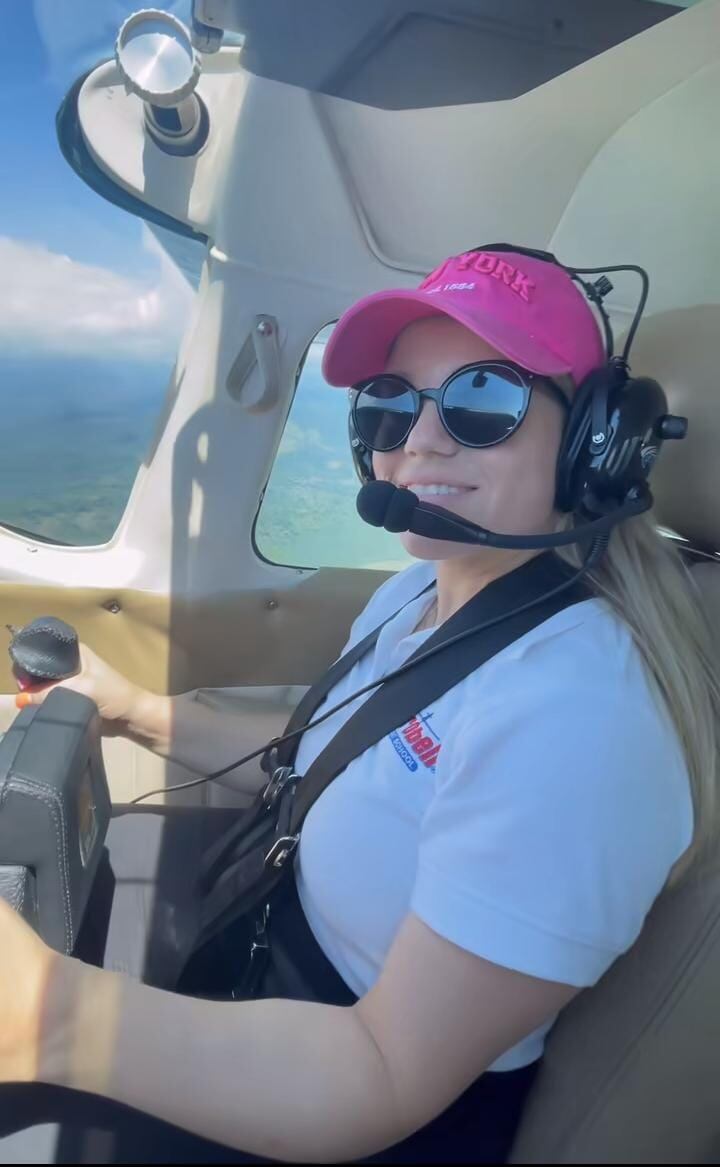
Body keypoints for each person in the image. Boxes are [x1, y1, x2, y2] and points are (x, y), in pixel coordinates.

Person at [0, 247, 716, 1165]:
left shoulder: (581, 716)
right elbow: (323, 754)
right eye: (387, 403)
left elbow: (379, 1074)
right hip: (277, 969)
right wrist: (134, 707)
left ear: (594, 444)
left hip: (354, 1098)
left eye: (482, 401)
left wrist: (51, 1022)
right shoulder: (425, 593)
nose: (415, 441)